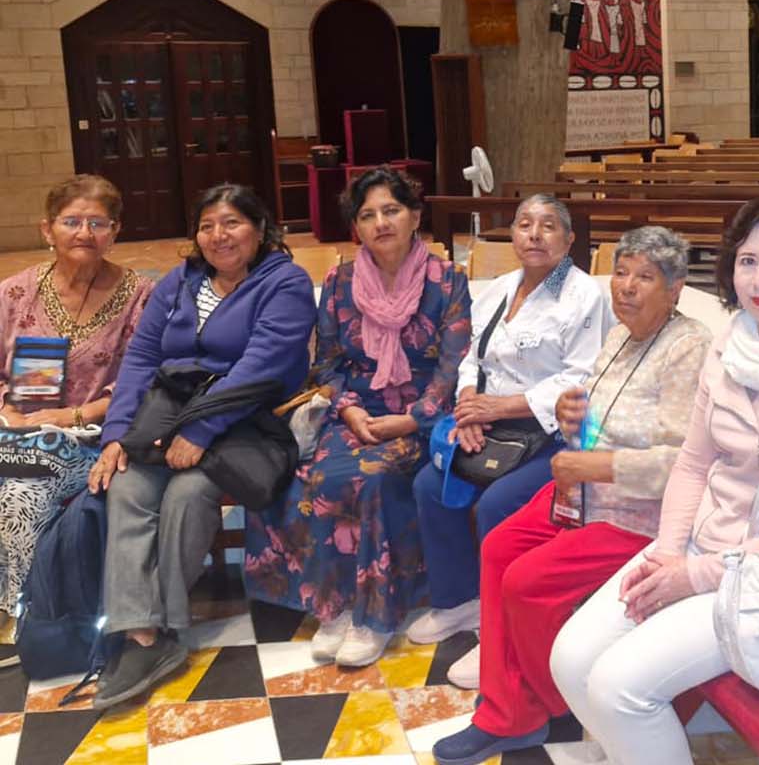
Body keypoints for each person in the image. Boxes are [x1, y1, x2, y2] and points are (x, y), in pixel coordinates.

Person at [550, 194, 759, 765]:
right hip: (698, 544)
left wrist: (696, 575)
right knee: (571, 657)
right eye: (748, 260)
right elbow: (692, 463)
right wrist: (668, 551)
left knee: (619, 688)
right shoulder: (730, 345)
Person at [429, 226, 711, 764]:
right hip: (583, 495)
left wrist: (596, 465)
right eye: (621, 273)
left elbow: (683, 463)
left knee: (528, 581)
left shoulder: (689, 348)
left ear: (675, 289)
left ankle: (557, 699)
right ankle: (510, 709)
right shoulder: (620, 336)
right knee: (499, 545)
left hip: (640, 516)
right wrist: (570, 420)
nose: (626, 286)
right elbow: (597, 421)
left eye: (645, 277)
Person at [86, 184, 316, 708]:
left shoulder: (284, 282)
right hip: (170, 417)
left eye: (232, 223)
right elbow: (141, 359)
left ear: (260, 229)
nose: (218, 236)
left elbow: (262, 366)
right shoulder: (179, 281)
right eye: (207, 225)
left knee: (187, 496)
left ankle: (161, 627)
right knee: (128, 486)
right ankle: (142, 635)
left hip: (246, 422)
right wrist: (117, 434)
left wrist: (201, 430)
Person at [244, 168, 472, 667]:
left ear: (415, 216)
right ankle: (336, 608)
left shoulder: (447, 279)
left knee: (372, 479)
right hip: (355, 413)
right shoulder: (340, 281)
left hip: (423, 418)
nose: (381, 223)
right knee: (319, 475)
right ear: (356, 228)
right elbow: (326, 362)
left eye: (392, 210)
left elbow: (454, 366)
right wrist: (348, 410)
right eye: (368, 215)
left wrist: (412, 420)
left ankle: (375, 617)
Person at [409, 194, 612, 687]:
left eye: (549, 226)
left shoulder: (583, 295)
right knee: (430, 486)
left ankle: (502, 635)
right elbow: (471, 358)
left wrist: (500, 408)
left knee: (500, 503)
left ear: (568, 239)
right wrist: (469, 407)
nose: (535, 234)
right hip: (493, 426)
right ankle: (459, 601)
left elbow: (580, 378)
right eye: (524, 224)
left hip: (554, 433)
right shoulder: (501, 287)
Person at [0, 177, 153, 649]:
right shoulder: (14, 294)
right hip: (13, 433)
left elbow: (142, 381)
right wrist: (8, 410)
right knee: (15, 480)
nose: (85, 232)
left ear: (115, 231)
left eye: (98, 223)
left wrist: (72, 417)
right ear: (47, 229)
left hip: (93, 440)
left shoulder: (140, 296)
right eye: (71, 221)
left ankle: (22, 617)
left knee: (18, 495)